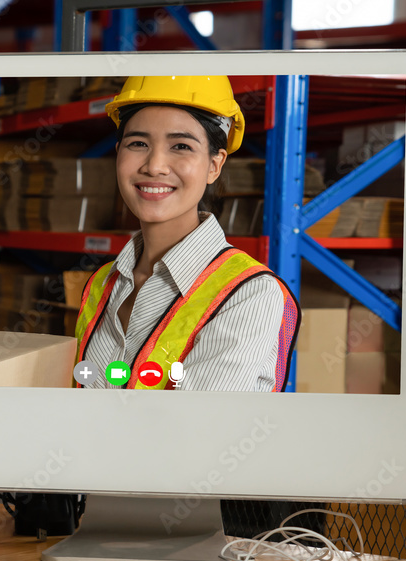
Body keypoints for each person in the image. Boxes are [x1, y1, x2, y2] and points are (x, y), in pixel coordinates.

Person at [74, 75, 300, 392]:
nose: (155, 166)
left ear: (214, 165)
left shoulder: (246, 294)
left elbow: (195, 433)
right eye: (138, 144)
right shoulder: (102, 283)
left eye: (181, 146)